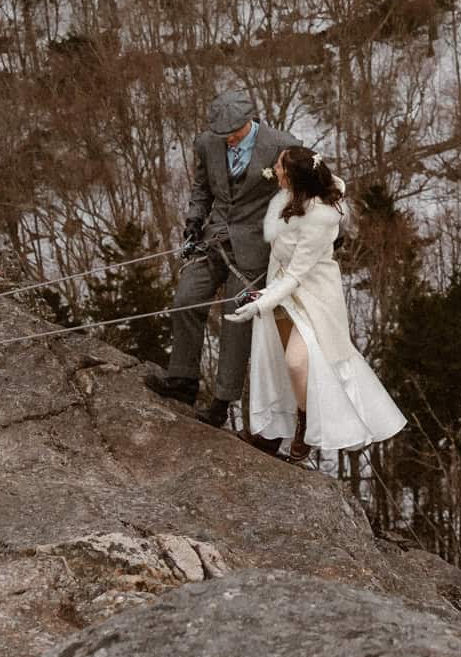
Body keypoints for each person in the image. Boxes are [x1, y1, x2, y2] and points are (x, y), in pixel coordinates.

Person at [226, 146, 406, 464]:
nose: (275, 169)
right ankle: (268, 433)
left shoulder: (321, 216)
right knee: (275, 362)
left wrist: (261, 302)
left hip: (312, 295)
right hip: (280, 285)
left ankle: (306, 421)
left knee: (299, 363)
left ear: (295, 176)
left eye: (280, 166)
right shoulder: (289, 195)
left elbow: (297, 273)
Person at [145, 89, 301, 428]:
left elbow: (309, 191)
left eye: (233, 132)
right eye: (222, 133)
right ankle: (182, 381)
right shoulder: (207, 143)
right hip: (212, 239)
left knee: (236, 318)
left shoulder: (282, 145)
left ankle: (221, 401)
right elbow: (202, 188)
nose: (227, 139)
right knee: (185, 299)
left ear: (249, 122)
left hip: (255, 251)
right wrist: (193, 222)